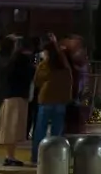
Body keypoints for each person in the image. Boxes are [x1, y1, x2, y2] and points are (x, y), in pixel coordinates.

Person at [0, 36, 36, 167]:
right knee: (13, 129)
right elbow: (29, 75)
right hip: (17, 96)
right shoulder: (21, 61)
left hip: (8, 96)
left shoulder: (6, 60)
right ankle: (10, 156)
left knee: (10, 128)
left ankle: (9, 156)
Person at [30, 37, 72, 168]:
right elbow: (69, 80)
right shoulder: (64, 65)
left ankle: (37, 156)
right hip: (61, 100)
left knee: (40, 130)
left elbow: (37, 81)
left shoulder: (45, 64)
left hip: (46, 99)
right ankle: (55, 156)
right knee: (57, 131)